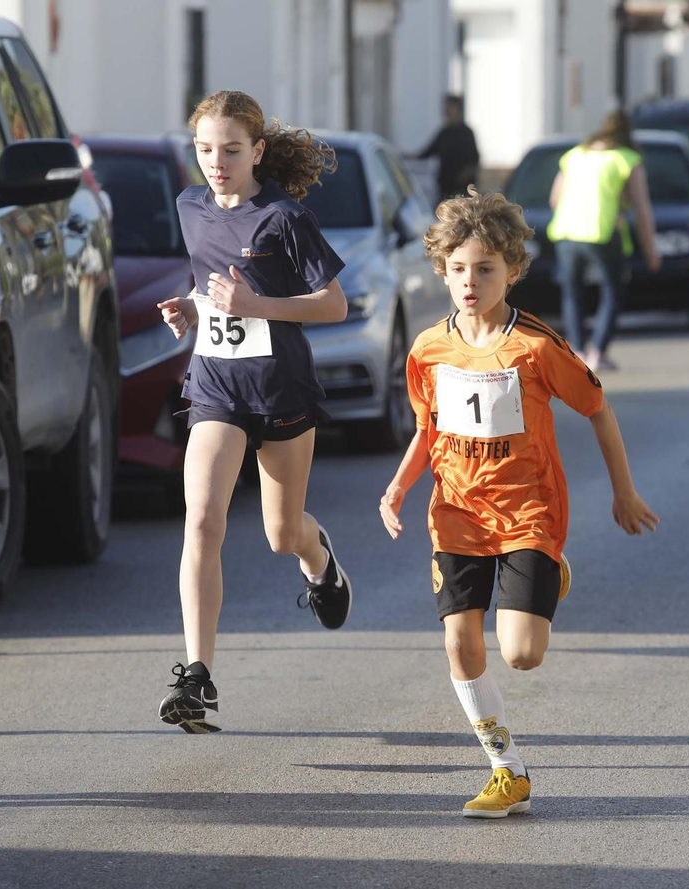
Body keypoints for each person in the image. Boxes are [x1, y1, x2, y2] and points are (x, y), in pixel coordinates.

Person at [378, 188, 659, 818]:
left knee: (523, 655)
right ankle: (506, 768)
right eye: (458, 270)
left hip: (529, 510)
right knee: (459, 643)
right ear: (441, 271)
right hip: (456, 512)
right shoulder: (427, 349)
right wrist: (398, 486)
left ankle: (549, 570)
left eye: (485, 269)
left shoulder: (534, 346)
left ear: (513, 270)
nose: (470, 282)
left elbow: (598, 408)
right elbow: (429, 428)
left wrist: (623, 491)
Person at [152, 90, 354, 733]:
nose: (216, 162)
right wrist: (191, 309)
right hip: (214, 386)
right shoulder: (190, 207)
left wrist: (255, 307)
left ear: (257, 151)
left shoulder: (286, 217)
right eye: (205, 149)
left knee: (280, 532)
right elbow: (209, 281)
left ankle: (318, 559)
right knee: (204, 519)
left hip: (281, 388)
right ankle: (196, 673)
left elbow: (333, 306)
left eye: (231, 150)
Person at [547, 110, 660, 372]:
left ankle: (576, 351)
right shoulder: (626, 159)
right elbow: (643, 210)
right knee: (612, 290)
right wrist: (651, 251)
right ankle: (598, 351)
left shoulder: (574, 155)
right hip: (601, 231)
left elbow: (555, 199)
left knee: (572, 292)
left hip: (567, 232)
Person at [414, 95, 481, 204]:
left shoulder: (467, 134)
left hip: (462, 192)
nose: (446, 111)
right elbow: (426, 152)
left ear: (458, 109)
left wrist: (464, 177)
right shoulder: (444, 133)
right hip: (445, 190)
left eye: (449, 107)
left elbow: (474, 160)